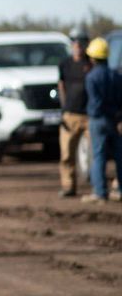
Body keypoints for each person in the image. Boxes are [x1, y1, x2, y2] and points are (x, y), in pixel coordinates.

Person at [82, 37, 122, 203]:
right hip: (114, 120)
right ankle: (119, 190)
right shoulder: (115, 76)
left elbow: (95, 102)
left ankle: (100, 192)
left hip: (98, 120)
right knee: (119, 156)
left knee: (99, 156)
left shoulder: (91, 77)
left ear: (92, 57)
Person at [58, 28, 93, 197]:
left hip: (90, 115)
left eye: (81, 41)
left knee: (95, 154)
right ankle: (68, 186)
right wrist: (64, 110)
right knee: (67, 154)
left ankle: (97, 187)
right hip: (70, 115)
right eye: (74, 41)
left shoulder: (91, 64)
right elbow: (61, 86)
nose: (77, 44)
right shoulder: (64, 64)